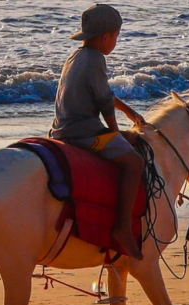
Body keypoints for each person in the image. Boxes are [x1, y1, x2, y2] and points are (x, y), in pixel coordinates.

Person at [50, 4, 145, 260]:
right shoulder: (96, 59)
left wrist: (129, 112)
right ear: (106, 37)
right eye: (116, 37)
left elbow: (103, 93)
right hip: (82, 133)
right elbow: (103, 103)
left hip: (60, 128)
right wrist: (116, 134)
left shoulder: (76, 56)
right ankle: (123, 227)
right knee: (135, 163)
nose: (115, 42)